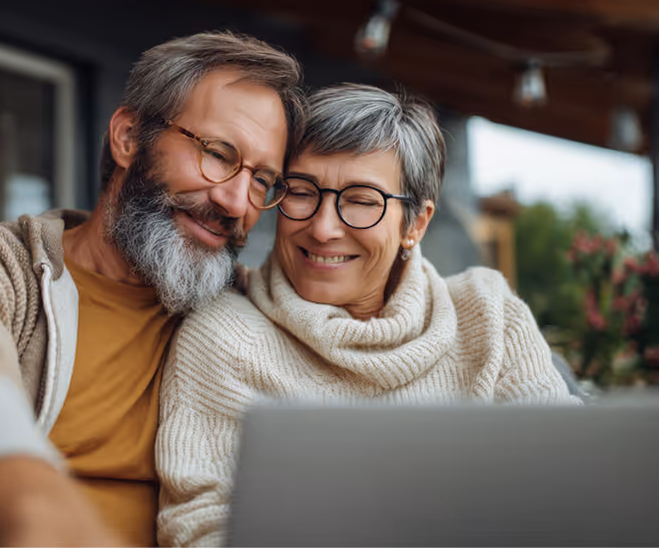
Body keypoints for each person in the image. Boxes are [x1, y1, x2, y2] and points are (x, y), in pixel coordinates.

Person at [0, 32, 305, 546]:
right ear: (129, 137)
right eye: (219, 154)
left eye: (264, 180)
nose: (237, 202)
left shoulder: (251, 314)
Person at [155, 84, 581, 547]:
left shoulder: (489, 313)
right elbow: (200, 531)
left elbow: (571, 488)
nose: (322, 228)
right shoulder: (224, 335)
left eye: (361, 200)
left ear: (415, 223)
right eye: (302, 191)